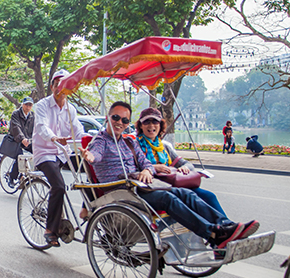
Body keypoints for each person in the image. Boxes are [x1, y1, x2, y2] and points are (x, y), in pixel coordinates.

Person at [82, 101, 259, 249]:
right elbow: (95, 155)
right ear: (108, 117)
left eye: (124, 119)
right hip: (121, 191)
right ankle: (212, 234)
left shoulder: (129, 141)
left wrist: (146, 170)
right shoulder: (100, 142)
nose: (119, 122)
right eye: (115, 117)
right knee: (169, 199)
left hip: (141, 186)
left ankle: (225, 226)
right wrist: (90, 156)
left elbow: (146, 164)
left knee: (187, 194)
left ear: (128, 122)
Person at [134, 107, 247, 225]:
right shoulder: (135, 145)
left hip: (174, 183)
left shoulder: (165, 146)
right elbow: (133, 169)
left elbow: (187, 163)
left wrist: (185, 168)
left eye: (155, 122)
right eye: (147, 122)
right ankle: (218, 233)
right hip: (155, 187)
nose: (151, 126)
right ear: (141, 126)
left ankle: (227, 227)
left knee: (208, 196)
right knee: (188, 199)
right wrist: (153, 168)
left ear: (160, 125)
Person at [33, 69, 89, 247]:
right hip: (45, 152)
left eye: (65, 85)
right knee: (59, 186)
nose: (61, 88)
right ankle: (50, 229)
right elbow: (42, 127)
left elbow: (78, 129)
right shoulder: (42, 105)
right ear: (52, 87)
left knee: (93, 166)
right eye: (57, 85)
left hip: (63, 153)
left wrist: (88, 142)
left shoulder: (70, 109)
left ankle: (87, 209)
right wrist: (54, 138)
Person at [6, 96, 35, 187]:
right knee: (20, 157)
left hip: (27, 140)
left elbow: (36, 128)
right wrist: (22, 139)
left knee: (38, 152)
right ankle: (12, 177)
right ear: (22, 105)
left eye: (30, 105)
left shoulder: (33, 115)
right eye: (26, 104)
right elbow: (16, 127)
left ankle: (33, 174)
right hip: (16, 139)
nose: (28, 107)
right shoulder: (16, 114)